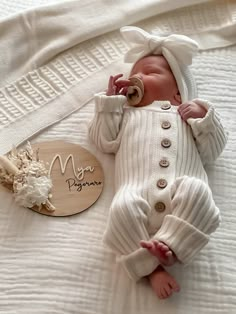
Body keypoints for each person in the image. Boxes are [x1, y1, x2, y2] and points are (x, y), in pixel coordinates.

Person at [88, 26, 227, 299]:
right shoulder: (126, 115)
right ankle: (152, 268)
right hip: (136, 189)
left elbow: (212, 151)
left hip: (181, 188)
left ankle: (171, 244)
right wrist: (110, 104)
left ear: (179, 93)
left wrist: (203, 117)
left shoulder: (186, 115)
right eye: (133, 75)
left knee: (198, 193)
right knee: (121, 210)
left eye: (150, 73)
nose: (137, 77)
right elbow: (103, 140)